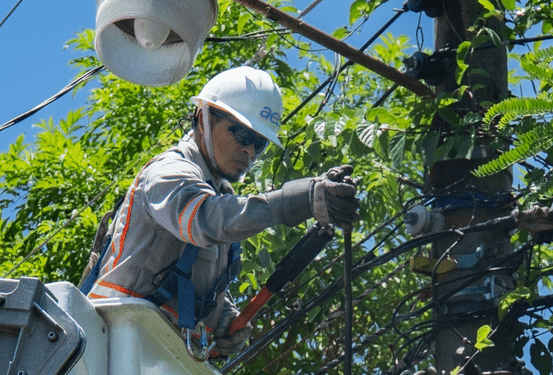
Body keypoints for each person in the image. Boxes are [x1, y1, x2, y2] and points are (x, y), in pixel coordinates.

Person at [82, 66, 359, 354]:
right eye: (242, 134)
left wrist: (224, 319)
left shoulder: (223, 197)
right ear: (204, 118)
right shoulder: (169, 172)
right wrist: (300, 199)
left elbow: (194, 281)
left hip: (157, 355)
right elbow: (205, 220)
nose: (250, 152)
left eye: (260, 143)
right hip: (108, 338)